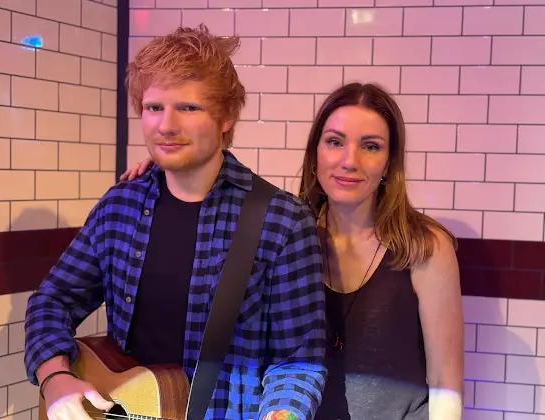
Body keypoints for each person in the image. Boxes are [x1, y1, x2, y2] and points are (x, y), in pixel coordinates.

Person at [24, 25, 327, 420]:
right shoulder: (120, 206)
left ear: (225, 116)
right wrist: (54, 378)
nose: (166, 125)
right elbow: (52, 300)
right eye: (154, 108)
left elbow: (298, 362)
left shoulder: (281, 220)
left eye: (188, 108)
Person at [123, 82, 465, 420]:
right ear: (315, 153)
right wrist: (171, 167)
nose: (349, 161)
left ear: (389, 163)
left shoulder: (424, 246)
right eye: (335, 142)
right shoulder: (287, 232)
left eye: (371, 146)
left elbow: (445, 385)